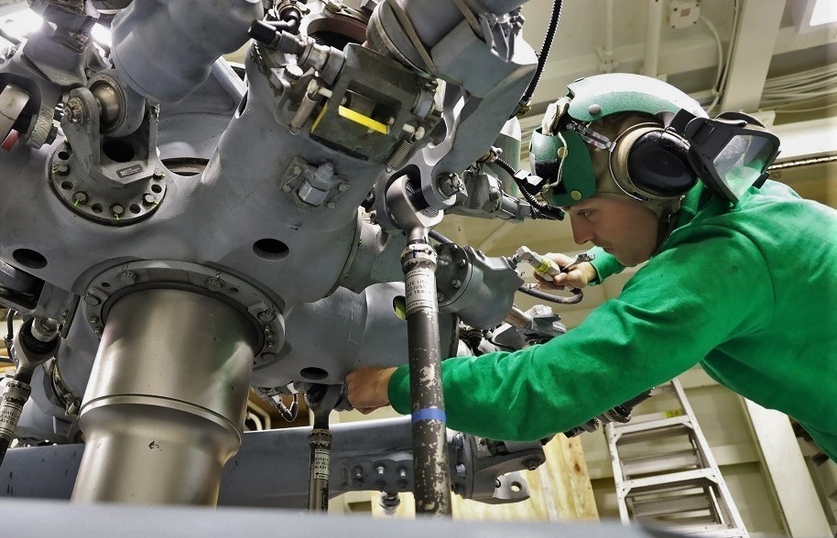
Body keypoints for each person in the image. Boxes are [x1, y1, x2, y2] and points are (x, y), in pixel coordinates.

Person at [346, 73, 837, 459]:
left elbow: (539, 391)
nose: (579, 234)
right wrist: (593, 265)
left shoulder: (723, 264)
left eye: (586, 212)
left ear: (657, 174)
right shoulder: (755, 207)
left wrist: (394, 384)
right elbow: (681, 231)